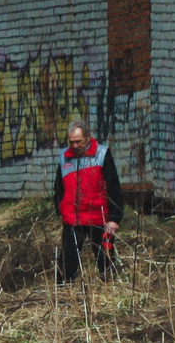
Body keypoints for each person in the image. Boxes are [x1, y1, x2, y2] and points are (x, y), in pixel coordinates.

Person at [52, 121, 122, 283]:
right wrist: (60, 207)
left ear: (88, 138)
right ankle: (63, 289)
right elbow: (59, 186)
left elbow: (113, 187)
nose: (75, 146)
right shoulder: (64, 156)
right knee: (67, 261)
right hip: (72, 217)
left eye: (79, 142)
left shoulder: (102, 154)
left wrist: (114, 218)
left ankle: (110, 286)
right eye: (72, 142)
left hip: (99, 216)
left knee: (104, 258)